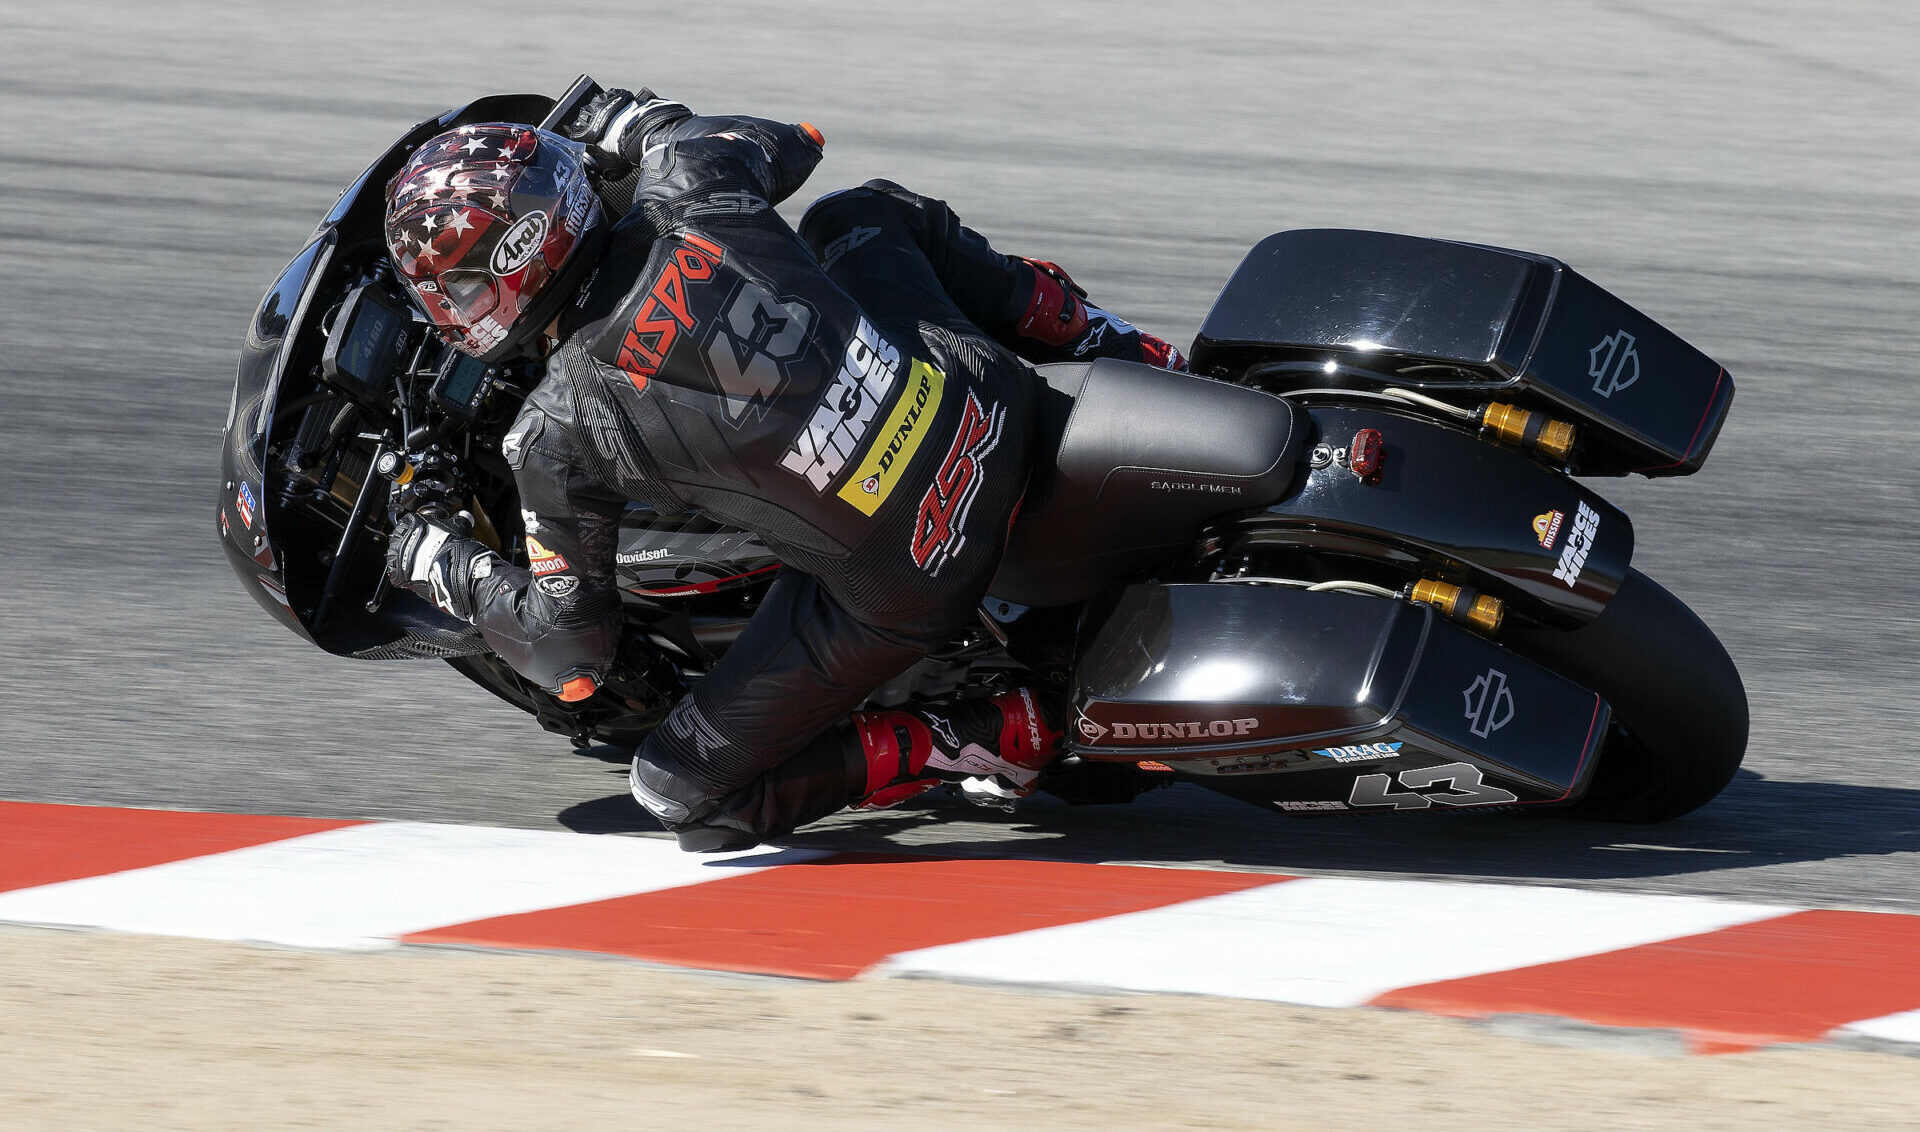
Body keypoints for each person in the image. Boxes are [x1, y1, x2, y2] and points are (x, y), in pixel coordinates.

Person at [383, 89, 1186, 851]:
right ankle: (1117, 347)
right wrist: (644, 125)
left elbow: (572, 651)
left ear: (501, 278)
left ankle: (982, 734)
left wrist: (443, 562)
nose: (453, 304)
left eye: (454, 286)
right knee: (859, 214)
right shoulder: (687, 180)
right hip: (990, 402)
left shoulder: (554, 432)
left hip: (912, 577)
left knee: (682, 792)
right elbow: (796, 143)